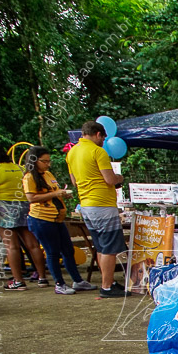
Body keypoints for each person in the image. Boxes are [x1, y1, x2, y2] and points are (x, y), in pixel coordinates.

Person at [66, 120, 128, 298]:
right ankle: (107, 287)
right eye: (103, 138)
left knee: (100, 247)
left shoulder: (72, 152)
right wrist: (120, 177)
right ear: (98, 134)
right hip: (102, 204)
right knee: (110, 247)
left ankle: (106, 282)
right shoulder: (97, 151)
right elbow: (109, 179)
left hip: (85, 205)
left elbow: (73, 181)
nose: (104, 142)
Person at [22, 147, 96, 295]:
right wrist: (55, 194)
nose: (48, 164)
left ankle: (77, 280)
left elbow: (51, 192)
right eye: (44, 161)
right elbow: (31, 198)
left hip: (57, 218)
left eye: (49, 161)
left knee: (68, 250)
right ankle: (59, 283)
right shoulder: (29, 177)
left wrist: (61, 195)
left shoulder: (48, 174)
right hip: (42, 219)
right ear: (35, 161)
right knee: (52, 252)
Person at [0, 142, 49, 290]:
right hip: (24, 205)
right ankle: (42, 277)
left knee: (11, 246)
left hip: (3, 208)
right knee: (33, 244)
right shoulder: (19, 168)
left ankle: (18, 281)